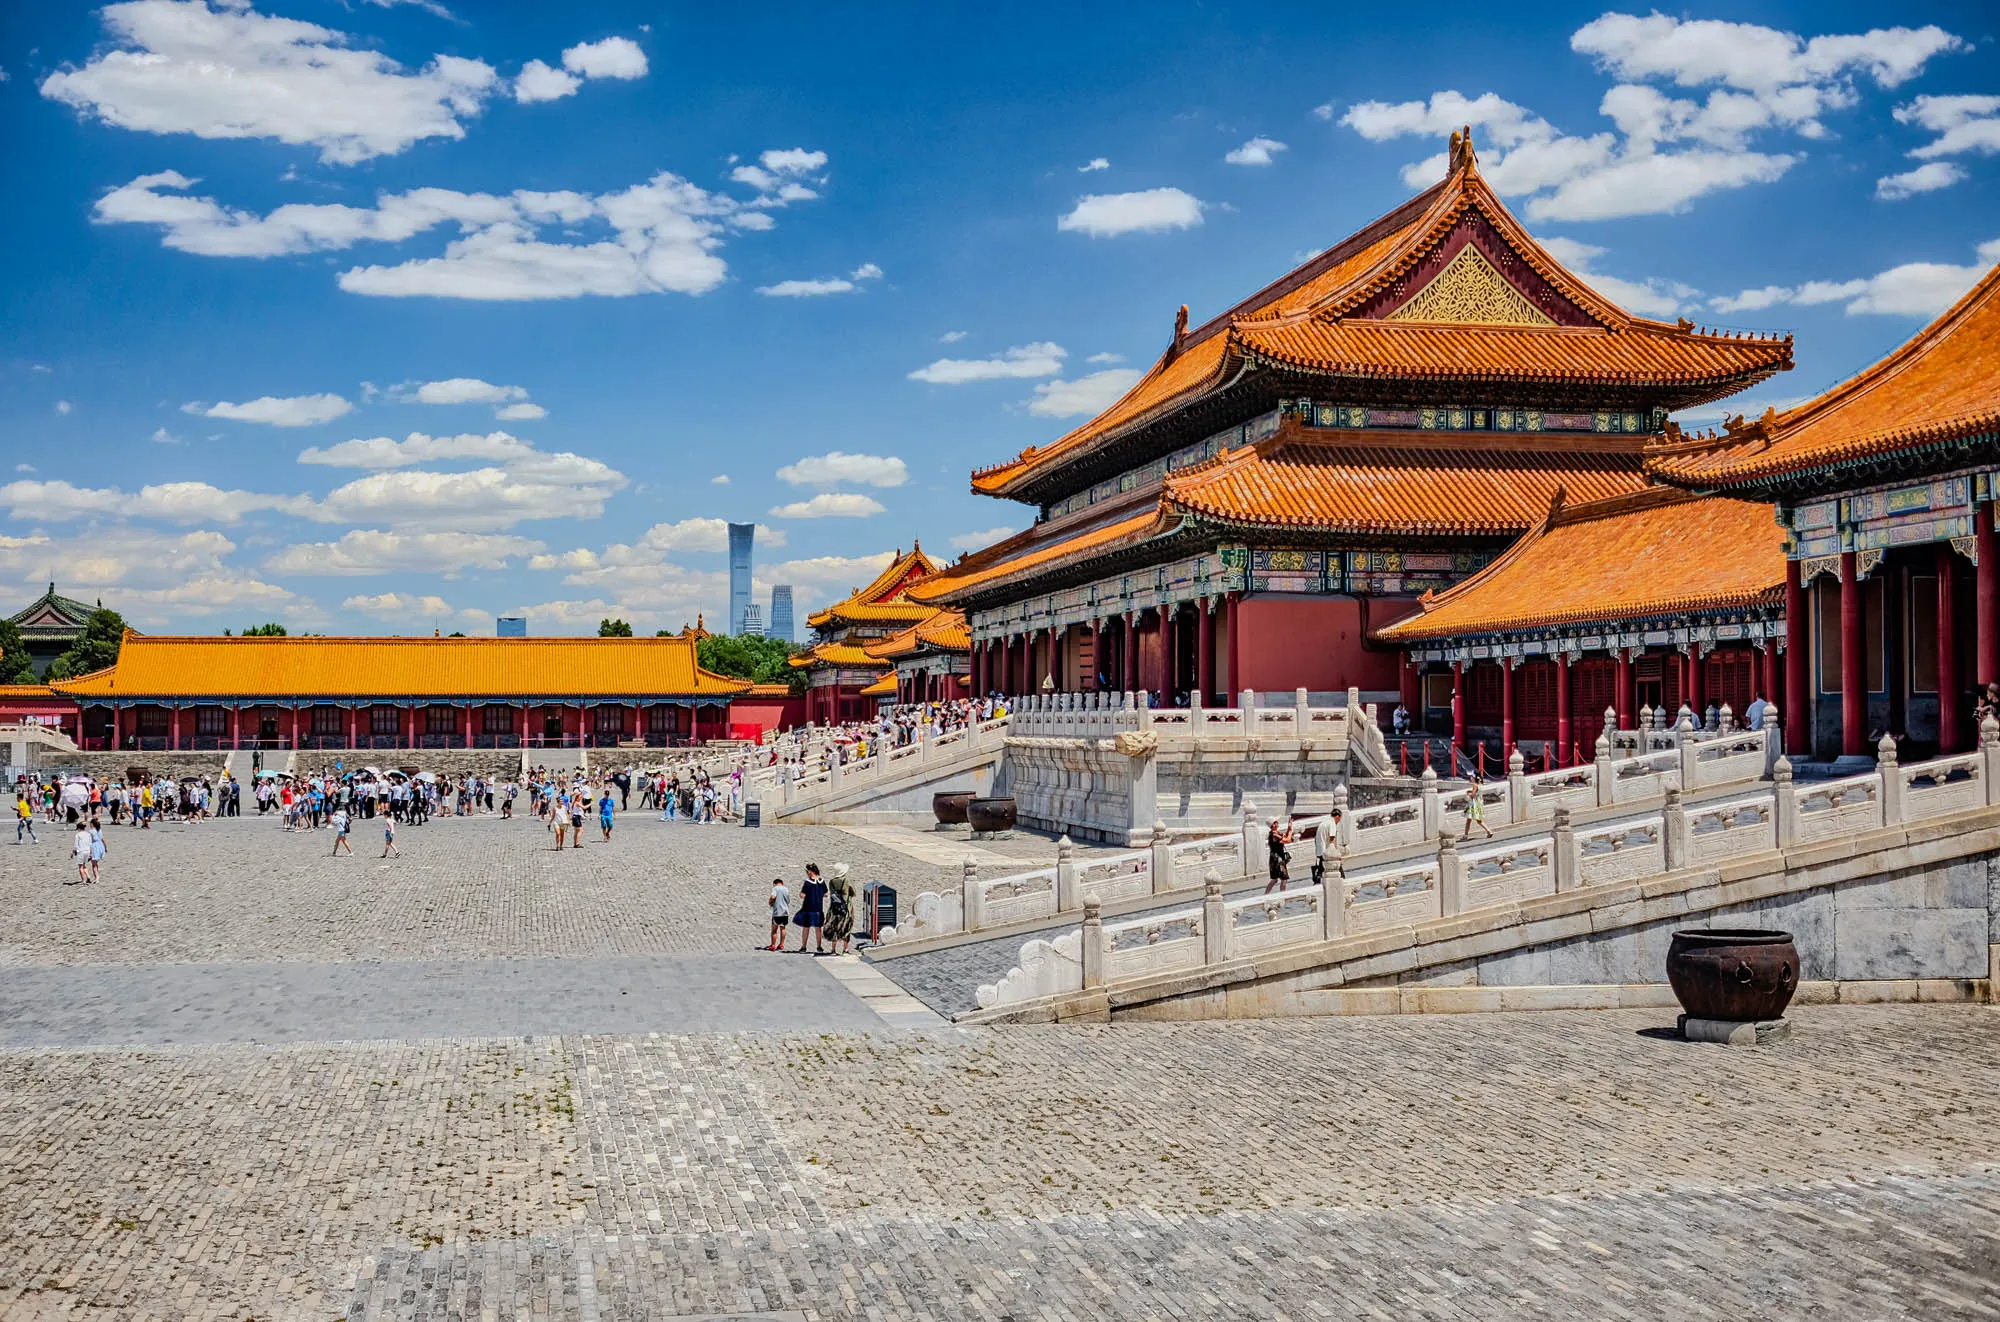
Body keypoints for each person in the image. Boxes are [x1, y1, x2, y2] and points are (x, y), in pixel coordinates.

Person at [794, 863, 827, 954]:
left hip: (808, 908)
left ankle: (804, 947)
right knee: (818, 928)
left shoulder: (808, 883)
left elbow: (802, 895)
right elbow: (826, 893)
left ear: (810, 872)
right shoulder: (822, 881)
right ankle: (819, 946)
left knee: (806, 928)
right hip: (818, 908)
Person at [823, 862, 855, 955]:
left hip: (834, 907)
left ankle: (833, 949)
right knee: (847, 926)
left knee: (834, 926)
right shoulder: (846, 881)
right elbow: (854, 892)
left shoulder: (832, 881)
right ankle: (845, 949)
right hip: (847, 907)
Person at [1264, 817, 1292, 894]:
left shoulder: (1276, 833)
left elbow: (1285, 835)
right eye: (1276, 822)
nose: (1277, 823)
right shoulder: (1274, 835)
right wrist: (1290, 831)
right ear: (1273, 825)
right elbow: (1288, 840)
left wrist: (1289, 827)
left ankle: (1265, 895)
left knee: (1275, 879)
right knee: (1283, 879)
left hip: (1275, 859)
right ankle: (1282, 896)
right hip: (1278, 860)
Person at [767, 876, 791, 951]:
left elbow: (773, 897)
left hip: (777, 912)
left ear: (775, 884)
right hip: (785, 912)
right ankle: (781, 944)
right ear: (782, 883)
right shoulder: (786, 889)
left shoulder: (775, 888)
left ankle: (773, 945)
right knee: (783, 928)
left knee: (774, 930)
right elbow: (788, 900)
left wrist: (770, 902)